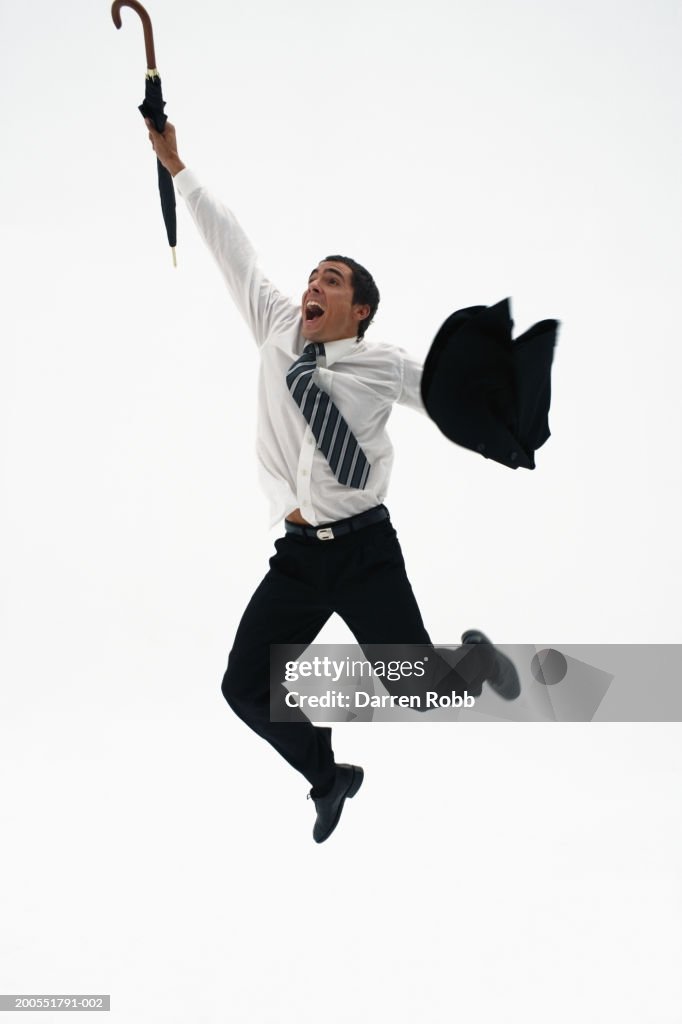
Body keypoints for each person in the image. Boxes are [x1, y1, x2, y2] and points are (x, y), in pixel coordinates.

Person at [144, 120, 520, 843]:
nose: (313, 285)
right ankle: (329, 776)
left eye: (332, 281)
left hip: (364, 553)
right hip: (298, 557)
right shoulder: (279, 326)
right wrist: (177, 165)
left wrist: (500, 411)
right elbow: (233, 248)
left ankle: (472, 661)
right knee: (243, 688)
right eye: (314, 275)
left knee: (417, 694)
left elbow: (449, 399)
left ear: (361, 309)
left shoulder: (385, 364)